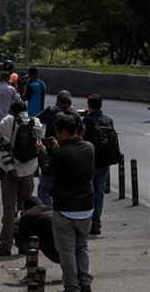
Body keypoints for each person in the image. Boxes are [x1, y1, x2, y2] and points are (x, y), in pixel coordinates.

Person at [36, 113, 94, 292]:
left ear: (63, 132)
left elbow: (48, 171)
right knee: (82, 247)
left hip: (65, 209)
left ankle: (71, 286)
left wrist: (42, 153)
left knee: (67, 250)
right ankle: (85, 283)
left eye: (57, 132)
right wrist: (56, 149)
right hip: (86, 208)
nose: (56, 135)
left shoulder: (62, 153)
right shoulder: (89, 148)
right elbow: (70, 163)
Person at [0, 100, 43, 256]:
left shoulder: (7, 120)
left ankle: (5, 245)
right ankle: (24, 244)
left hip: (10, 172)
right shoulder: (36, 122)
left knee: (9, 210)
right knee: (25, 210)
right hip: (29, 171)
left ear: (12, 110)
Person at [36, 90, 83, 206]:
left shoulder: (50, 111)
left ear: (57, 101)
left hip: (50, 154)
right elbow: (82, 130)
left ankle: (47, 214)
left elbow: (36, 121)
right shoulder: (74, 114)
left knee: (44, 187)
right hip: (70, 154)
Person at [82, 94, 120, 235]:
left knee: (88, 193)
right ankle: (96, 224)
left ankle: (87, 222)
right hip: (105, 162)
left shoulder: (87, 120)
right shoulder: (108, 120)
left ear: (89, 105)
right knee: (99, 193)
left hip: (90, 162)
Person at [14, 197, 60, 264]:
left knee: (32, 239)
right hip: (66, 231)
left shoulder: (27, 215)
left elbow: (20, 240)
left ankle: (31, 267)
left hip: (55, 243)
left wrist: (17, 222)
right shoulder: (50, 209)